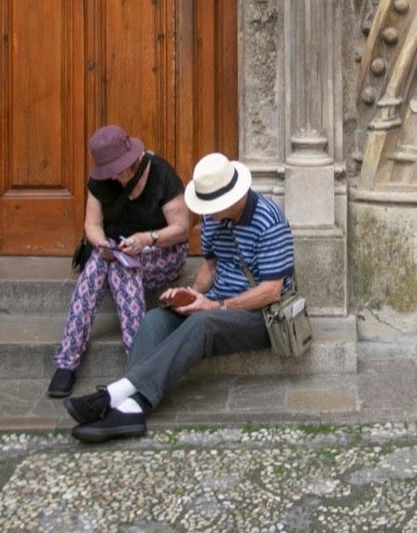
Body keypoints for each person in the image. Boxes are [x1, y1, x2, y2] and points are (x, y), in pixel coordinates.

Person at [64, 151, 295, 443]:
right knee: (155, 320)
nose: (207, 213)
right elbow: (210, 267)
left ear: (231, 199)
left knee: (202, 324)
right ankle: (131, 408)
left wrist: (217, 305)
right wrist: (192, 294)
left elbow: (272, 291)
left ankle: (116, 395)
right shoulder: (214, 220)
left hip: (260, 315)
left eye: (212, 206)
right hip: (217, 305)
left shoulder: (269, 220)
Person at [46, 124, 190, 400]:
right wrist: (100, 244)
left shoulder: (160, 173)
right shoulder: (100, 181)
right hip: (117, 252)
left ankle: (136, 366)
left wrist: (147, 238)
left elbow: (181, 229)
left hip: (163, 252)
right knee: (100, 266)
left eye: (120, 168)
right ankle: (68, 362)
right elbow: (92, 224)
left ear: (132, 159)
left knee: (123, 269)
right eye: (110, 170)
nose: (115, 175)